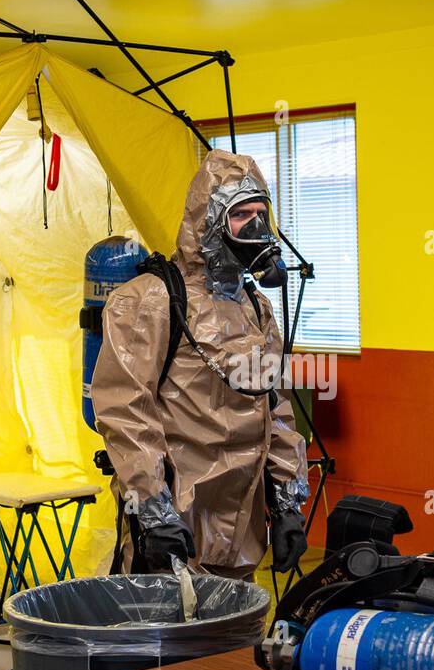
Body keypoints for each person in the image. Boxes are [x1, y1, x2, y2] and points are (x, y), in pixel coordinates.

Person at [91, 149, 309, 581]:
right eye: (241, 213)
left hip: (241, 522)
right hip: (176, 515)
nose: (256, 226)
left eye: (261, 212)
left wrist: (287, 503)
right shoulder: (150, 300)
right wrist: (153, 510)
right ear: (209, 220)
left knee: (230, 638)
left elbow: (275, 410)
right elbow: (124, 410)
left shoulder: (256, 307)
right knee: (167, 637)